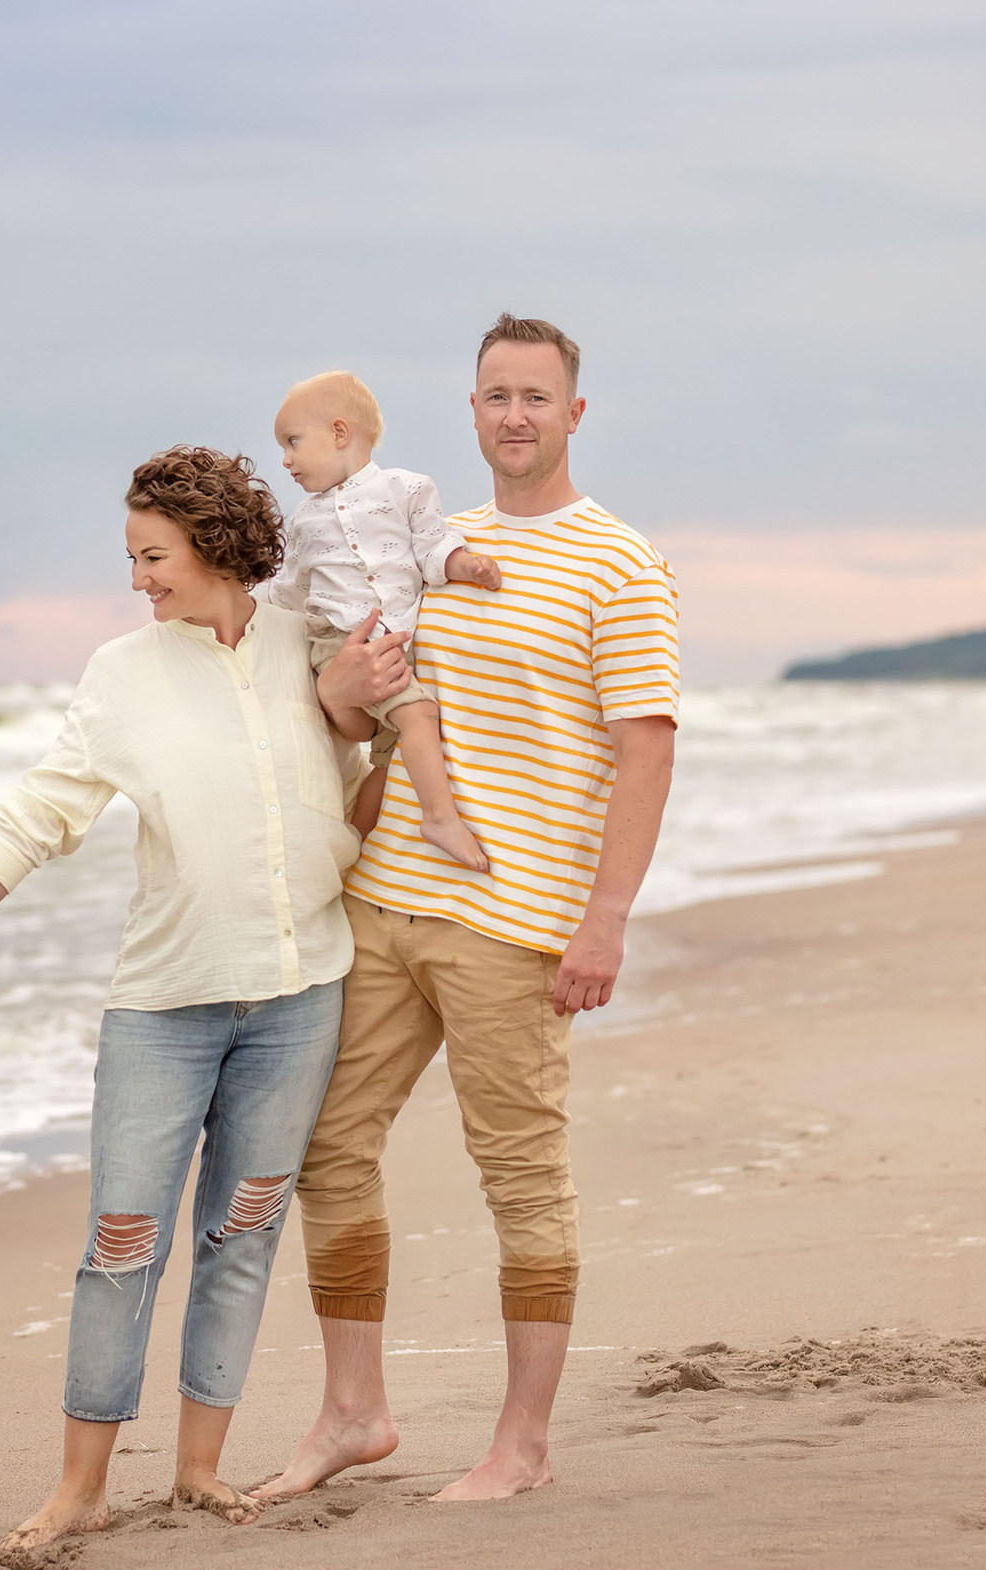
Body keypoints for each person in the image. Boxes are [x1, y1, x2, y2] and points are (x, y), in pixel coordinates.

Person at [0, 445, 368, 1554]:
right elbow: (36, 815)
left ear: (214, 544)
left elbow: (364, 774)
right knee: (122, 1244)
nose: (137, 578)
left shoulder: (306, 642)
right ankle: (81, 1488)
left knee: (242, 1235)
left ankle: (198, 1470)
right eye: (133, 558)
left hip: (300, 1001)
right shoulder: (122, 673)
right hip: (165, 1009)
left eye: (153, 556)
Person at [257, 313, 680, 1504]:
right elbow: (359, 705)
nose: (513, 416)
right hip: (381, 896)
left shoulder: (620, 562)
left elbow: (645, 753)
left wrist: (605, 920)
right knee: (326, 1144)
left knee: (519, 1174)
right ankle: (354, 1413)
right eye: (495, 395)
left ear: (574, 413)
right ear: (472, 411)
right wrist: (336, 688)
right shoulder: (425, 542)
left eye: (535, 397)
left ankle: (521, 1447)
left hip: (514, 917)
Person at [262, 369, 504, 874]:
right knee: (419, 715)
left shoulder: (407, 489)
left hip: (392, 647)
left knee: (388, 759)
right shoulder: (305, 520)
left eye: (292, 442)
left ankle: (351, 847)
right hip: (339, 641)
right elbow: (289, 592)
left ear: (339, 432)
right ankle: (439, 817)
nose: (285, 459)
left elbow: (433, 547)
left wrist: (467, 566)